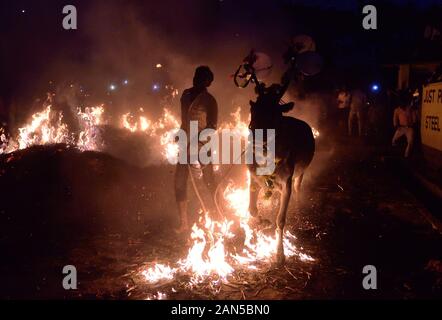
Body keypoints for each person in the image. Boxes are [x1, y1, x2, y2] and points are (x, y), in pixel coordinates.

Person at [174, 66, 218, 233]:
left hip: (202, 147)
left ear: (208, 82)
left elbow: (212, 126)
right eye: (196, 75)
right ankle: (183, 223)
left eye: (201, 77)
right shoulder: (185, 95)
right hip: (185, 145)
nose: (196, 79)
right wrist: (180, 134)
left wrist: (197, 142)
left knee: (208, 182)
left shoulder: (210, 100)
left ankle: (215, 217)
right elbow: (184, 120)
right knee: (179, 182)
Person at [392, 93, 417, 158]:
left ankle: (406, 155)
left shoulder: (410, 108)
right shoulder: (397, 110)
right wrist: (396, 126)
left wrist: (414, 123)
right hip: (401, 128)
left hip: (409, 128)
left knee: (410, 142)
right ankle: (396, 153)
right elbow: (395, 118)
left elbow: (414, 117)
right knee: (394, 140)